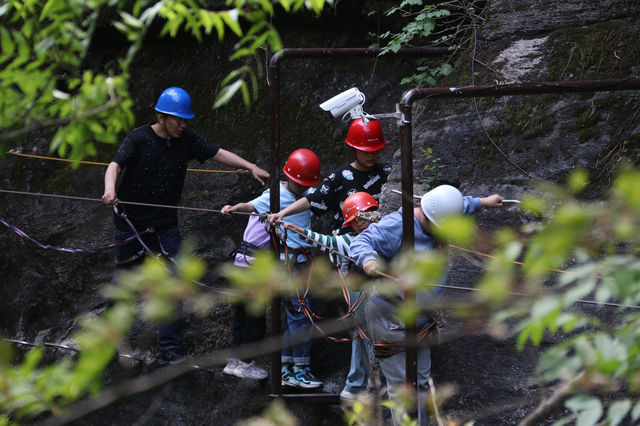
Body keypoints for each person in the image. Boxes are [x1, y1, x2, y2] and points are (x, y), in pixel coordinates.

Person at [101, 86, 269, 364]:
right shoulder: (138, 138)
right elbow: (114, 165)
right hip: (131, 224)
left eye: (185, 119)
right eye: (178, 119)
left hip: (165, 226)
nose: (183, 124)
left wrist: (250, 165)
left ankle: (170, 349)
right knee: (124, 284)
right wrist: (110, 190)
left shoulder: (186, 139)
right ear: (160, 116)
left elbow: (217, 153)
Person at [350, 185, 504, 425]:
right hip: (391, 317)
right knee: (403, 389)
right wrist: (370, 262)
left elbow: (462, 205)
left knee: (421, 383)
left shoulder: (443, 211)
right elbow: (362, 242)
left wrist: (484, 201)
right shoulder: (399, 225)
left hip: (421, 320)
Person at [221, 148, 324, 389]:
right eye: (298, 183)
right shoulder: (274, 196)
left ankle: (250, 363)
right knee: (253, 314)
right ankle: (244, 362)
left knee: (265, 313)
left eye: (305, 184)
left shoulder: (308, 195)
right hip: (256, 264)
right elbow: (250, 206)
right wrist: (234, 208)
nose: (302, 187)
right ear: (289, 177)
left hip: (264, 262)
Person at [282, 191, 379, 401]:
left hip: (376, 291)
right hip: (358, 292)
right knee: (363, 335)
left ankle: (361, 385)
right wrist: (298, 229)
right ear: (350, 224)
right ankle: (356, 387)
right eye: (356, 221)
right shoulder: (346, 240)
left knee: (371, 335)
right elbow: (322, 240)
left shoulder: (383, 233)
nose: (361, 224)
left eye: (366, 216)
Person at [268, 118, 391, 234]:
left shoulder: (387, 172)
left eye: (375, 151)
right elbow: (312, 199)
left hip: (381, 239)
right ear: (354, 149)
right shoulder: (340, 176)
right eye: (365, 151)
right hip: (346, 244)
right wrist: (282, 214)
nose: (371, 156)